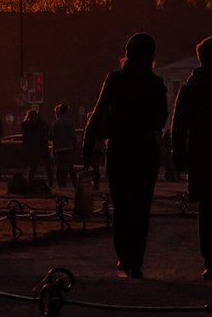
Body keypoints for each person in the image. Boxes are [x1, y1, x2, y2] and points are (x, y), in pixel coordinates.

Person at [83, 32, 168, 279]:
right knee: (141, 206)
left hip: (120, 147)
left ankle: (124, 255)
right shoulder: (156, 83)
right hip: (145, 148)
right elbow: (161, 117)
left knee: (122, 205)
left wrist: (89, 144)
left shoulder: (115, 79)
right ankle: (136, 260)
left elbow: (98, 112)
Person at [171, 36, 212, 279]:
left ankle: (210, 260)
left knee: (207, 212)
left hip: (201, 157)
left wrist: (179, 157)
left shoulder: (190, 88)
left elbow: (178, 126)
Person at [21, 109, 53, 187]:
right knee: (37, 165)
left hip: (38, 147)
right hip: (39, 147)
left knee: (37, 165)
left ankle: (31, 180)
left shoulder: (28, 124)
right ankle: (48, 181)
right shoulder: (39, 124)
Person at [51, 103, 79, 188]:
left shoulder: (55, 123)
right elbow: (73, 136)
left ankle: (61, 185)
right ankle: (75, 185)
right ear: (66, 111)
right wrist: (75, 146)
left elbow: (52, 137)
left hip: (58, 148)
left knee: (60, 168)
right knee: (70, 168)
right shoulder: (69, 122)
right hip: (67, 147)